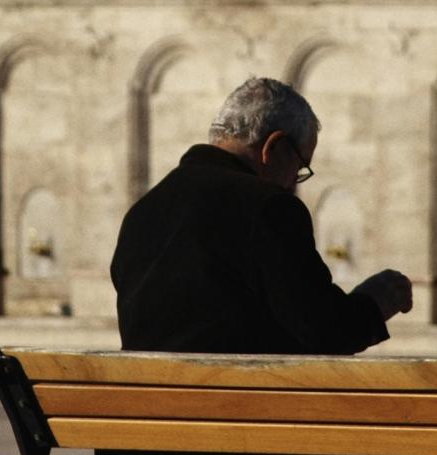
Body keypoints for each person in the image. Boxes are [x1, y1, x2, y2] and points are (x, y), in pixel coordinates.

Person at [111, 77, 413, 355]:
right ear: (274, 147)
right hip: (238, 408)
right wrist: (375, 302)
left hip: (149, 409)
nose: (293, 182)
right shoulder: (268, 207)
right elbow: (326, 331)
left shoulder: (143, 212)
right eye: (299, 168)